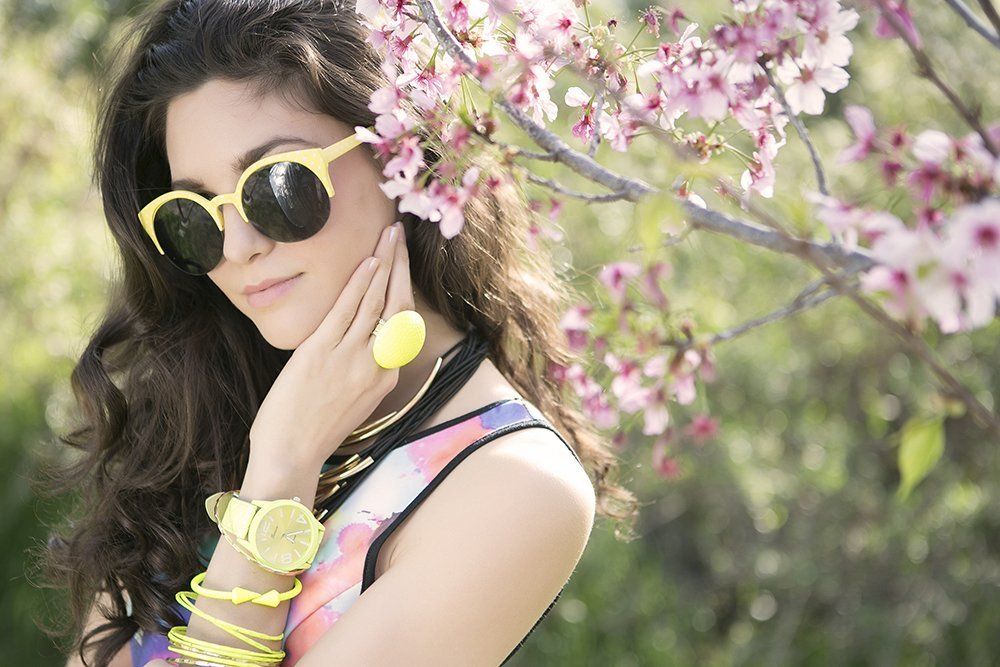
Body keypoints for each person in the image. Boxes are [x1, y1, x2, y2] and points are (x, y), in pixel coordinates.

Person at [35, 1, 639, 665]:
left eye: (277, 185)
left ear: (403, 154)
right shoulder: (200, 411)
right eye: (194, 215)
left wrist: (282, 468)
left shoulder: (516, 487)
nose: (237, 246)